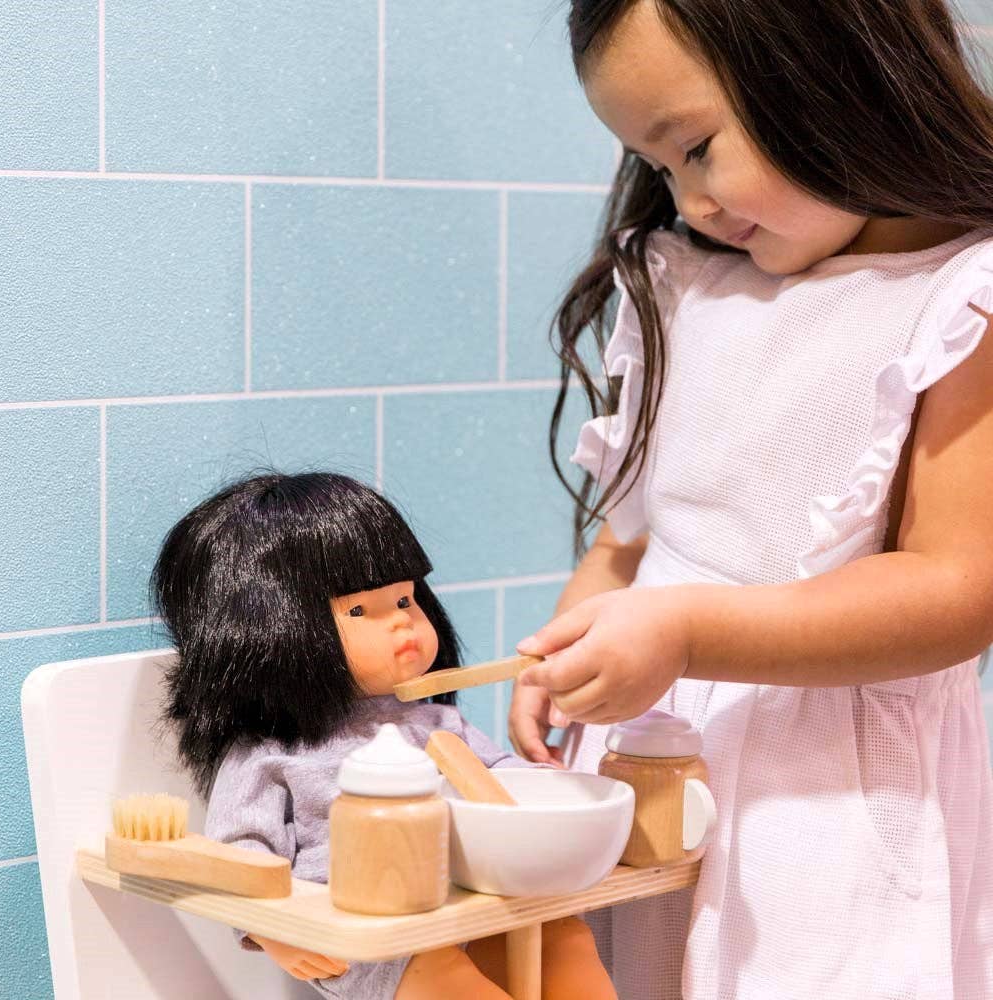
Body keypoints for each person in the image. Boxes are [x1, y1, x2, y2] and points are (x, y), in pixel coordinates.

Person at [508, 1, 993, 997]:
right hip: (648, 761)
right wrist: (571, 640)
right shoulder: (690, 285)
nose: (688, 202)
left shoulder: (959, 298)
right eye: (659, 169)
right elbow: (635, 530)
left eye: (696, 148)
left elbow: (957, 588)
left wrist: (686, 634)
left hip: (828, 798)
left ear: (833, 66)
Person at [152, 472, 615, 1000]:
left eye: (404, 601)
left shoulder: (434, 720)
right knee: (447, 983)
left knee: (565, 936)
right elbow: (243, 855)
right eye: (360, 610)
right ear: (275, 627)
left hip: (463, 903)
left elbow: (492, 776)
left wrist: (544, 791)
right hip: (366, 936)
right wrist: (273, 930)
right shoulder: (272, 754)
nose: (403, 625)